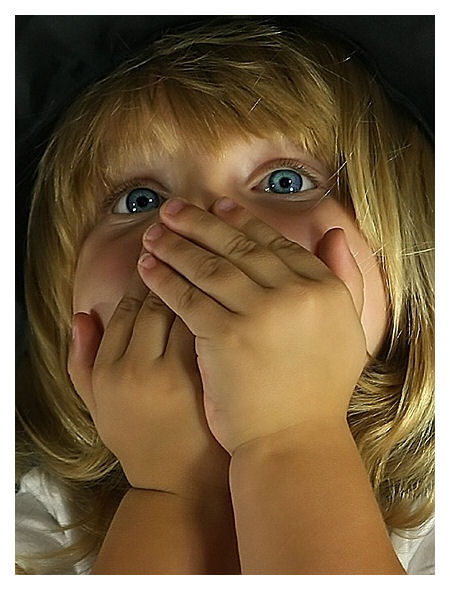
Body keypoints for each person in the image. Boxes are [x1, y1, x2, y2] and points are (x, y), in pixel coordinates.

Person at [15, 17, 434, 575]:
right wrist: (172, 488)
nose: (200, 230)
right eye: (139, 200)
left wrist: (294, 436)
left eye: (285, 182)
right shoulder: (34, 533)